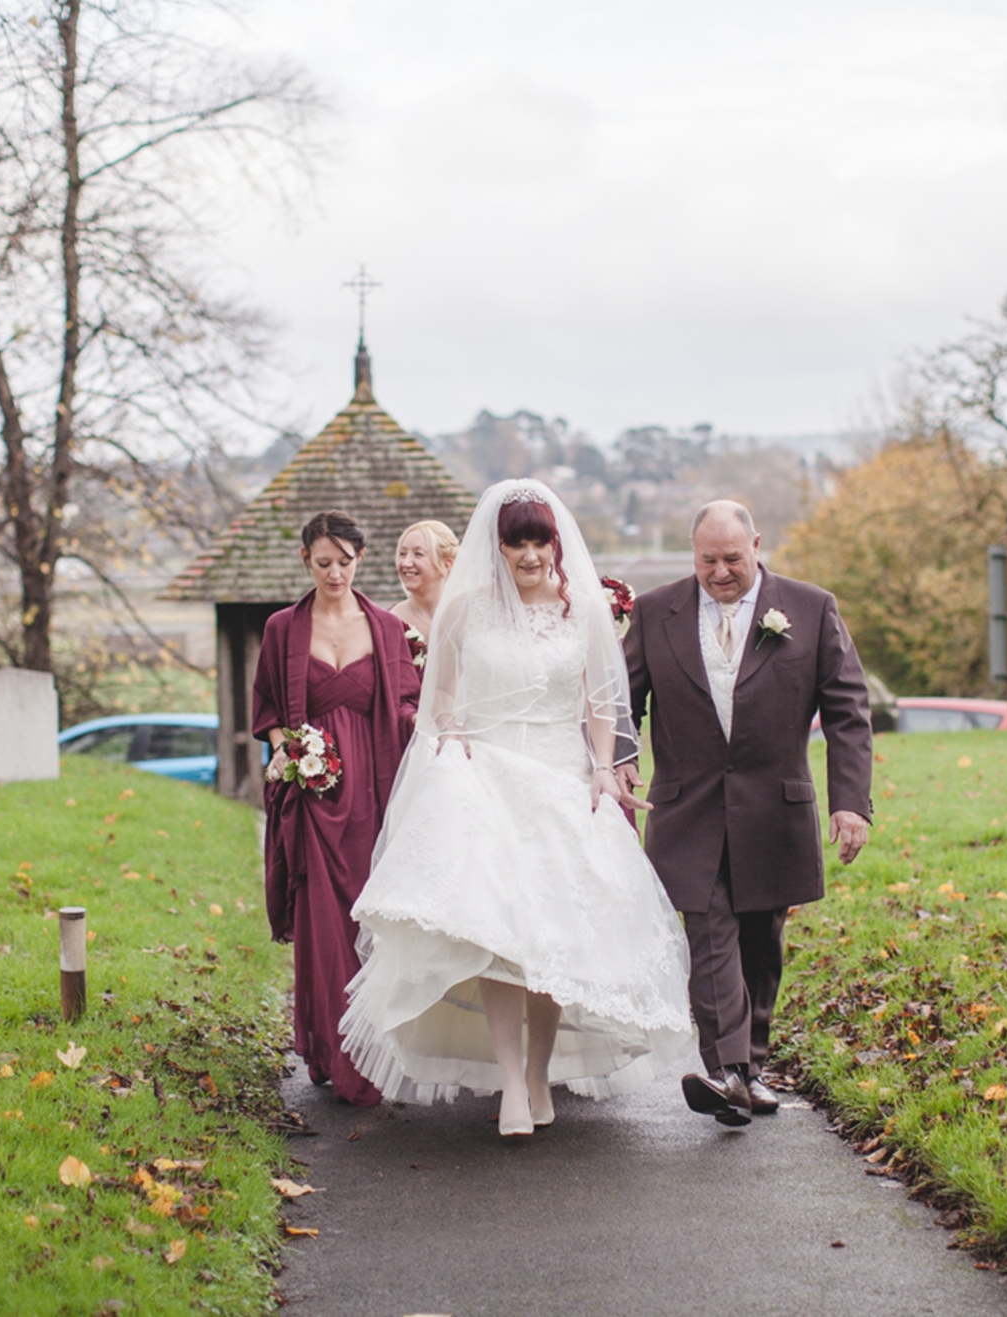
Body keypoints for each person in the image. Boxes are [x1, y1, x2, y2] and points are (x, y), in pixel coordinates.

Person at [341, 479, 696, 1138]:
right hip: (487, 782)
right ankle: (510, 1080)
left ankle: (538, 1071)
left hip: (561, 779)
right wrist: (450, 735)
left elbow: (599, 701)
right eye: (517, 541)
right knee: (496, 939)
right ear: (498, 545)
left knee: (549, 940)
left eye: (540, 541)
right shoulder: (466, 609)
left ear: (554, 543)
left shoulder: (583, 610)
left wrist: (600, 769)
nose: (530, 554)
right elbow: (440, 695)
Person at [619, 500, 873, 1125]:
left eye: (733, 558)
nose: (721, 571)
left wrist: (850, 803)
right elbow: (622, 697)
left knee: (762, 941)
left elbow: (847, 708)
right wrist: (621, 755)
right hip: (688, 807)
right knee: (708, 932)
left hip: (774, 807)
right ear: (692, 552)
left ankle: (751, 1068)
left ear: (757, 544)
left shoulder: (811, 608)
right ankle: (727, 1070)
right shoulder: (656, 612)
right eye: (708, 559)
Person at [253, 511, 421, 1104]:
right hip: (313, 799)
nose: (335, 573)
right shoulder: (281, 629)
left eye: (345, 563)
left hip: (373, 799)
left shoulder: (385, 628)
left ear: (361, 558)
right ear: (306, 561)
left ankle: (374, 1051)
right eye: (323, 563)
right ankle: (330, 1050)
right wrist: (292, 755)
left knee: (368, 928)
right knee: (322, 932)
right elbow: (269, 713)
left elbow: (405, 705)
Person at [387, 519, 459, 642]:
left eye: (418, 554)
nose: (406, 563)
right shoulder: (390, 621)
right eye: (403, 553)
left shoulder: (464, 618)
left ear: (447, 565)